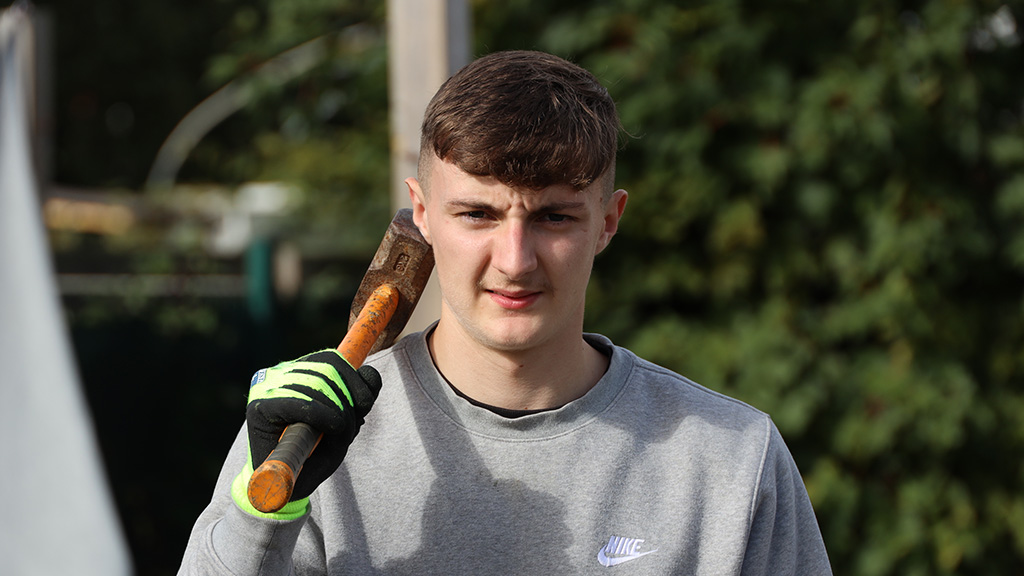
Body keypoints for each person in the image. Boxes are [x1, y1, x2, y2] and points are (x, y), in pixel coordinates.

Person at [179, 50, 832, 575]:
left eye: (553, 216)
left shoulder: (728, 461)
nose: (515, 259)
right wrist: (261, 518)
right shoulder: (304, 443)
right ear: (423, 213)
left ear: (608, 220)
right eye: (478, 214)